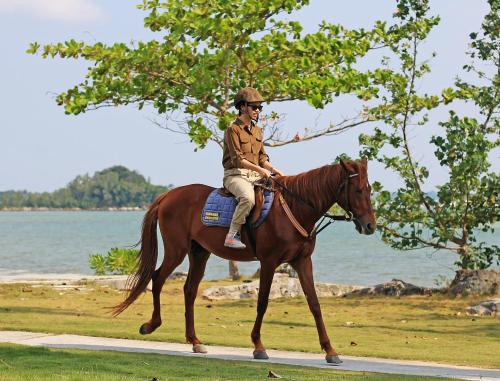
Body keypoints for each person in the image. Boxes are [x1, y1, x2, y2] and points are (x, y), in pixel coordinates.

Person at [222, 87, 284, 249]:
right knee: (248, 199)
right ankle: (232, 235)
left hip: (255, 175)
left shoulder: (257, 131)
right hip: (235, 175)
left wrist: (274, 169)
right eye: (254, 106)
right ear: (242, 107)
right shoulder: (232, 130)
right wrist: (261, 171)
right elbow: (238, 159)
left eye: (259, 107)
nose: (257, 110)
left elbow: (262, 158)